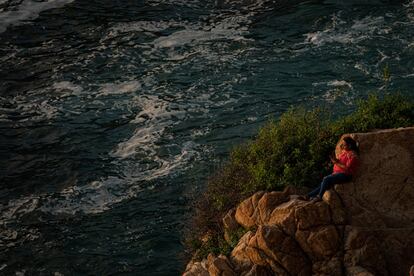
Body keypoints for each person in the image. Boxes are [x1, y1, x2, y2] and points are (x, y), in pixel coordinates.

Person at [307, 136, 359, 201]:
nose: (342, 146)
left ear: (350, 145)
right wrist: (335, 159)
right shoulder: (345, 152)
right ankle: (308, 196)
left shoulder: (353, 155)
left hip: (346, 175)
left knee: (326, 179)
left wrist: (335, 163)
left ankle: (319, 196)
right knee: (324, 183)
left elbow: (347, 168)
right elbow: (341, 161)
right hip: (338, 173)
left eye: (344, 145)